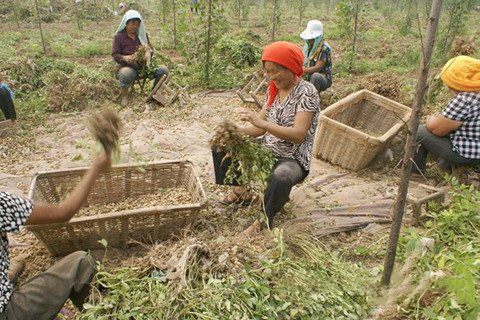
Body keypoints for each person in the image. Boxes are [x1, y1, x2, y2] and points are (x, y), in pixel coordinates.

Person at [212, 41, 320, 229]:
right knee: (221, 144)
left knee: (281, 177)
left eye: (275, 71)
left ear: (290, 67)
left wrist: (261, 123)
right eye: (268, 72)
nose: (270, 77)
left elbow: (298, 135)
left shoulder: (307, 93)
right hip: (267, 148)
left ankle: (264, 219)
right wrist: (234, 132)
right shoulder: (275, 90)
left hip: (291, 157)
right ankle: (240, 192)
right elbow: (259, 130)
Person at [0, 151, 111, 319]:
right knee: (80, 263)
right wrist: (97, 166)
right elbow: (63, 212)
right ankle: (105, 314)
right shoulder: (2, 204)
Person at [413, 55, 480, 174]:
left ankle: (414, 173)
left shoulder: (465, 99)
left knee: (419, 131)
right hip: (475, 146)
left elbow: (437, 129)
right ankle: (445, 170)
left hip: (469, 154)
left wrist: (430, 119)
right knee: (453, 131)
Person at [112, 10, 169, 106]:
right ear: (126, 23)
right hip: (128, 67)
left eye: (137, 24)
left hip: (144, 67)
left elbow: (151, 49)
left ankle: (154, 93)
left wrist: (148, 52)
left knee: (163, 70)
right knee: (125, 73)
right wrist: (126, 58)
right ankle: (125, 96)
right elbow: (115, 55)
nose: (135, 27)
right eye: (132, 24)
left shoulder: (142, 35)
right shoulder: (119, 37)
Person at [300, 20, 332, 93]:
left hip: (322, 79)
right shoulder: (307, 47)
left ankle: (312, 98)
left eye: (312, 39)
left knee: (316, 76)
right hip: (309, 77)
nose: (310, 40)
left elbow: (318, 67)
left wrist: (302, 71)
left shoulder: (324, 48)